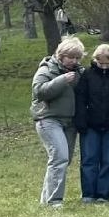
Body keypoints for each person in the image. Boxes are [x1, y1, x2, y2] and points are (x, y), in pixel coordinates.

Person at [32, 36, 84, 206]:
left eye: (77, 57)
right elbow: (39, 91)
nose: (73, 61)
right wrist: (62, 80)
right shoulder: (46, 69)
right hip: (48, 119)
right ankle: (54, 201)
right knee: (59, 157)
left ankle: (45, 200)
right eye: (70, 57)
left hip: (69, 122)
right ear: (61, 55)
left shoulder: (79, 72)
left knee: (63, 159)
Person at [74, 43, 109, 203]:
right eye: (100, 63)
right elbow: (81, 98)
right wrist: (81, 121)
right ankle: (88, 194)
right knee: (89, 159)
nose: (104, 66)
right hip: (91, 125)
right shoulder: (88, 74)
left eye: (107, 63)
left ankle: (104, 194)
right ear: (95, 60)